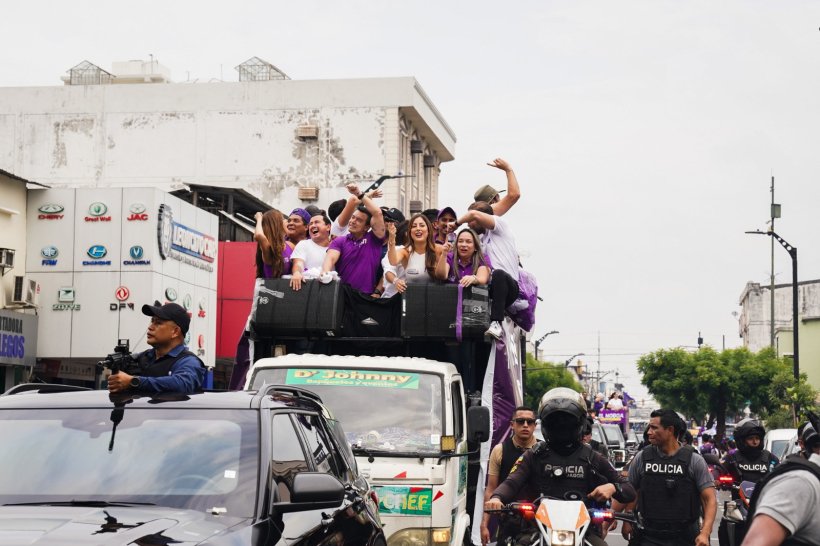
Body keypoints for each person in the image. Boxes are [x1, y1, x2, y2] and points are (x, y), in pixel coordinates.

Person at [485, 388, 636, 546]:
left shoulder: (593, 457)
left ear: (580, 424)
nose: (562, 427)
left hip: (583, 531)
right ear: (546, 425)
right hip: (537, 529)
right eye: (556, 423)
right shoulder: (533, 455)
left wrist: (613, 487)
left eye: (567, 423)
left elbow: (629, 490)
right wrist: (497, 498)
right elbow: (512, 482)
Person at [611, 408, 717, 546]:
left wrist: (705, 533)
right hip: (648, 534)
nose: (649, 432)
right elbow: (628, 491)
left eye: (654, 428)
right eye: (649, 428)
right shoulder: (642, 458)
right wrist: (613, 517)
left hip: (684, 536)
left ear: (670, 430)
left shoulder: (694, 460)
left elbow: (710, 500)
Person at [740, 415, 820, 546]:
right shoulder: (800, 483)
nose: (754, 442)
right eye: (751, 438)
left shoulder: (769, 458)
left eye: (757, 438)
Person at [108, 301, 205, 394]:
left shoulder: (189, 361)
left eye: (158, 323)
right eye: (152, 321)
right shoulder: (144, 356)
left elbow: (183, 384)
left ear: (175, 332)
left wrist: (133, 381)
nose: (150, 327)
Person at [479, 406, 539, 546]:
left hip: (539, 520)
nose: (525, 425)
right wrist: (484, 525)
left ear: (535, 426)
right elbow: (491, 489)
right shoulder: (499, 450)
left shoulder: (544, 451)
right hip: (508, 519)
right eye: (520, 421)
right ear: (512, 424)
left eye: (529, 422)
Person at [322, 186, 386, 294]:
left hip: (366, 297)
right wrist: (325, 272)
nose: (352, 221)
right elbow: (330, 258)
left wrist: (359, 193)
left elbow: (377, 213)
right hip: (342, 296)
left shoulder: (374, 239)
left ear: (366, 227)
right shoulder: (340, 241)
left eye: (359, 220)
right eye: (353, 217)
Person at [387, 213, 446, 284]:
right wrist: (392, 238)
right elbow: (393, 261)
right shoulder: (405, 252)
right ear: (409, 232)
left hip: (436, 294)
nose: (418, 228)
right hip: (413, 294)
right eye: (414, 226)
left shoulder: (439, 249)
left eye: (422, 225)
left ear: (428, 230)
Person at [289, 213, 332, 291]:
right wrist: (297, 273)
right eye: (311, 224)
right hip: (307, 289)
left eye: (316, 222)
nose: (312, 226)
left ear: (328, 227)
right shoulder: (303, 244)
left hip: (331, 291)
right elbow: (298, 263)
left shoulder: (335, 247)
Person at [254, 208, 292, 278]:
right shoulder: (269, 249)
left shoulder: (289, 245)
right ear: (277, 224)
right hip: (272, 288)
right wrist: (259, 219)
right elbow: (258, 235)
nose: (286, 221)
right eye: (283, 219)